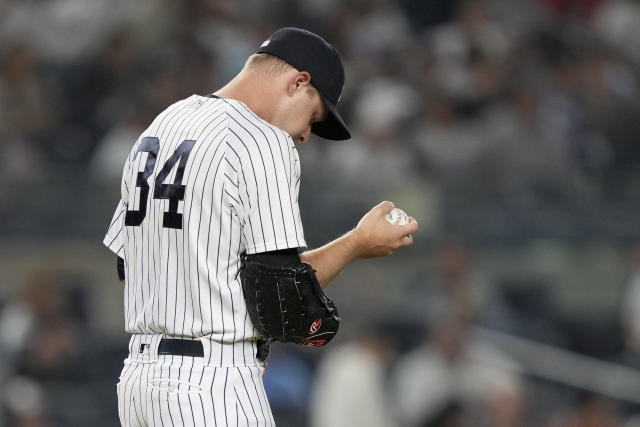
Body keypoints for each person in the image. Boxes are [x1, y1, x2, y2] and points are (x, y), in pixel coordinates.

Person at [103, 27, 418, 426]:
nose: (305, 135)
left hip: (137, 384)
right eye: (314, 116)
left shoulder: (164, 122)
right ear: (298, 82)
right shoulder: (262, 140)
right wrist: (357, 243)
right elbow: (281, 299)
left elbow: (125, 266)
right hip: (211, 385)